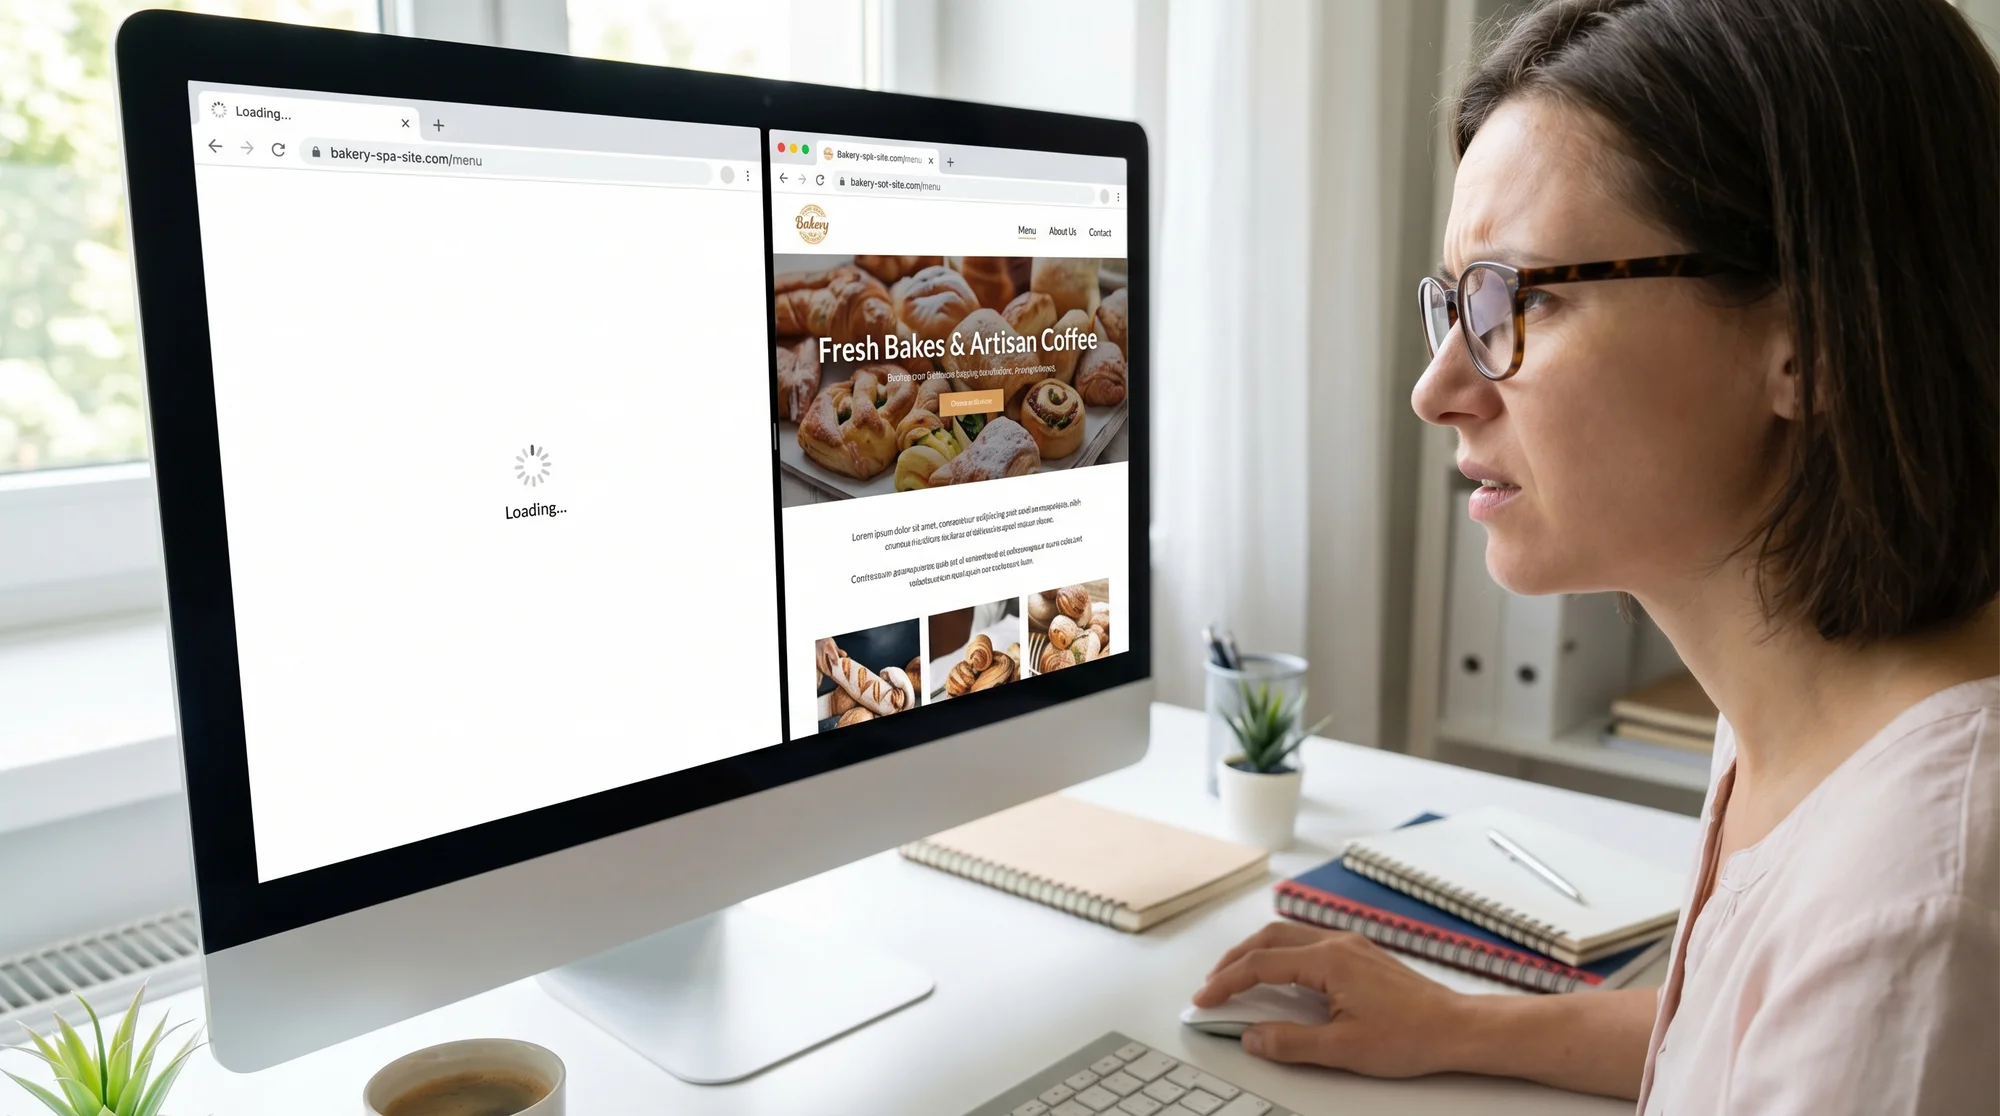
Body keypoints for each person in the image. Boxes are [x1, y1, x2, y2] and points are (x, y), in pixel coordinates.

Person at [1194, 0, 1999, 1111]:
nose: (1437, 392)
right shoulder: (1812, 696)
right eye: (1453, 305)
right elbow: (1739, 1032)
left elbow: (1851, 1008)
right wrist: (1459, 1022)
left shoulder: (1910, 918)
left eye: (1515, 298)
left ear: (1807, 341)